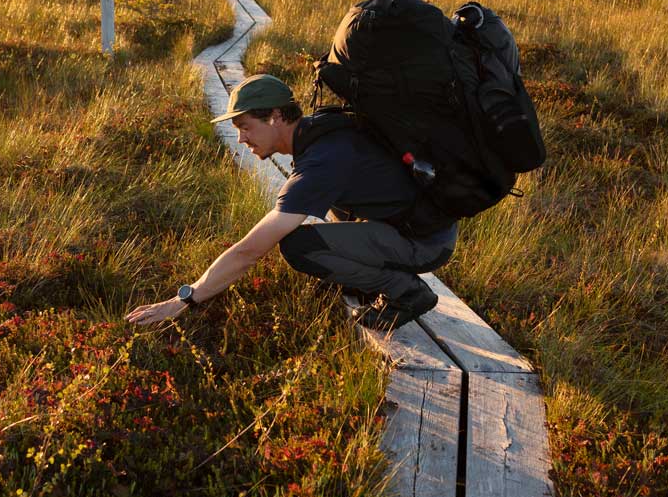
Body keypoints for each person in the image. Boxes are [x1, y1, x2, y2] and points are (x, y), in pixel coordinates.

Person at [124, 73, 456, 331]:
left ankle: (406, 291)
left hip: (424, 242)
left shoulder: (319, 164)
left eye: (245, 127)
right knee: (321, 225)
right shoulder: (322, 131)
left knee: (297, 246)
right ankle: (368, 278)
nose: (240, 139)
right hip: (421, 225)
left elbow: (249, 252)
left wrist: (186, 298)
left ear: (276, 117)